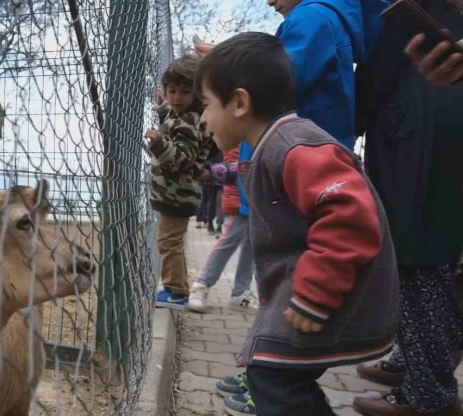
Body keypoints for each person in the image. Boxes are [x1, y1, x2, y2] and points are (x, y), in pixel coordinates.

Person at [194, 0, 388, 408]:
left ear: (240, 103)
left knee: (273, 374)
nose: (202, 119)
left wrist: (315, 293)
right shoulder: (270, 146)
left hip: (331, 288)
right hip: (310, 284)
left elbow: (351, 215)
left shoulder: (293, 147)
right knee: (270, 369)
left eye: (207, 104)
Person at [350, 1, 463, 414]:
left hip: (423, 140)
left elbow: (373, 80)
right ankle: (412, 363)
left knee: (419, 263)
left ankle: (428, 394)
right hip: (417, 127)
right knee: (427, 261)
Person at [148, 54, 212, 310]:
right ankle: (176, 288)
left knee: (168, 242)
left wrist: (158, 143)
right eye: (171, 90)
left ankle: (176, 292)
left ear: (197, 94)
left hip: (176, 195)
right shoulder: (187, 116)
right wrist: (164, 108)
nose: (176, 98)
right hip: (177, 194)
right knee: (170, 241)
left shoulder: (188, 121)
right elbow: (175, 122)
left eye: (185, 92)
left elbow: (182, 159)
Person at [187, 147, 258, 313]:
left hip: (255, 198)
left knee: (250, 244)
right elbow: (238, 165)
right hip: (242, 198)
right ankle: (201, 286)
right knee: (230, 240)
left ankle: (240, 292)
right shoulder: (244, 135)